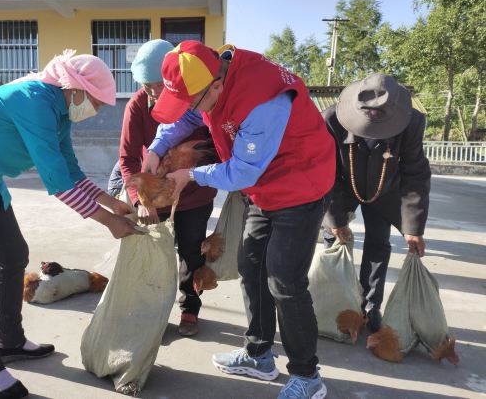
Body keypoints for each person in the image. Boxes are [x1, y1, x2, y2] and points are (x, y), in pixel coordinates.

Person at [0, 50, 142, 399]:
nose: (96, 110)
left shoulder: (58, 110)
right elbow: (57, 181)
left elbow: (68, 167)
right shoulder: (33, 100)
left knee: (14, 255)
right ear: (75, 89)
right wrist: (109, 221)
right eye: (95, 101)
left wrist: (112, 203)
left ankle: (10, 341)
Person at [144, 41, 335, 399]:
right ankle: (259, 354)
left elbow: (243, 171)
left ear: (216, 85)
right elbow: (187, 116)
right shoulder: (208, 80)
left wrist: (191, 175)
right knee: (251, 266)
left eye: (192, 101)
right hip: (265, 186)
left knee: (284, 279)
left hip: (301, 184)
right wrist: (156, 149)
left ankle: (308, 376)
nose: (190, 109)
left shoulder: (263, 101)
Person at [120, 39, 217, 336]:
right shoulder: (137, 105)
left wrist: (195, 175)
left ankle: (190, 307)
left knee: (192, 252)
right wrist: (142, 200)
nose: (151, 92)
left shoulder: (198, 100)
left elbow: (217, 148)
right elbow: (127, 159)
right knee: (153, 256)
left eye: (157, 85)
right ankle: (153, 311)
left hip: (196, 193)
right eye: (145, 85)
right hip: (156, 196)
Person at [321, 73, 431, 333]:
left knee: (378, 244)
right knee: (334, 241)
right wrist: (335, 219)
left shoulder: (412, 121)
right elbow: (323, 172)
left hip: (384, 188)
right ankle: (335, 303)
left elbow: (415, 175)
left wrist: (413, 228)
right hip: (341, 188)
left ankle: (371, 307)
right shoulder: (331, 119)